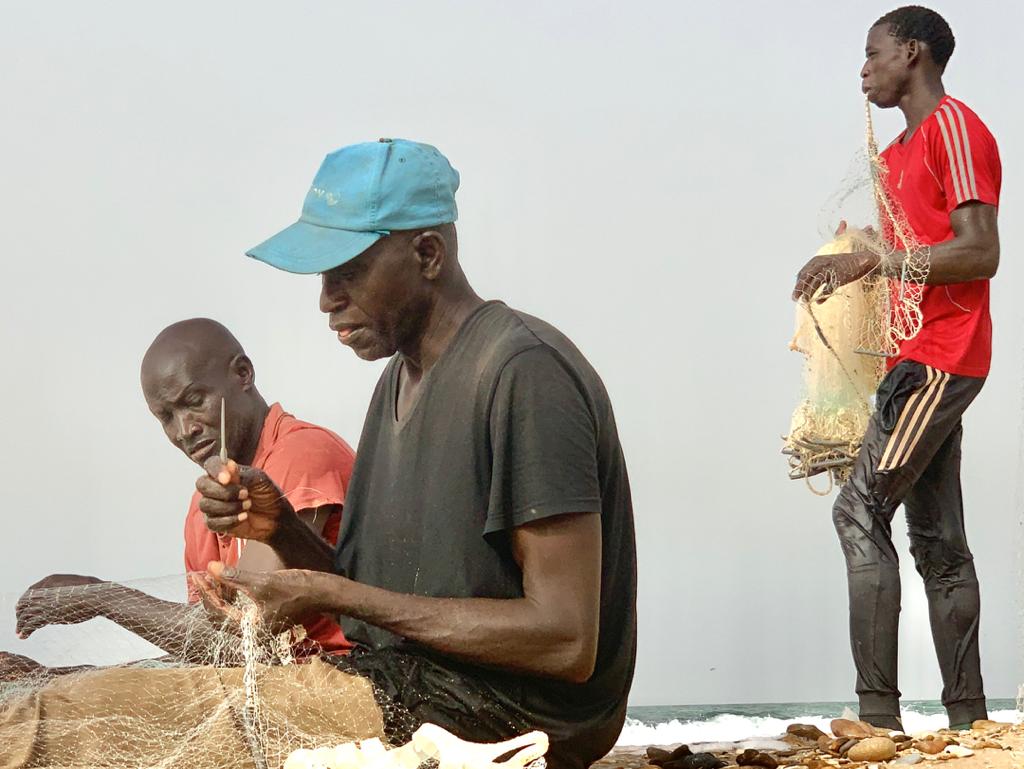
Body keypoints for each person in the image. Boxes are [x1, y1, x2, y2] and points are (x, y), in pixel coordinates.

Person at [193, 138, 637, 769]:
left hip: (512, 718)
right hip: (409, 686)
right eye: (324, 278)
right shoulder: (396, 382)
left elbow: (566, 641)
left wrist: (332, 593)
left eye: (347, 273)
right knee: (95, 705)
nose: (326, 299)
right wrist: (285, 531)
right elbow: (382, 602)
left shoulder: (523, 374)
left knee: (72, 723)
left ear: (427, 253)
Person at [793, 6, 1000, 731]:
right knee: (938, 541)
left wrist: (885, 258)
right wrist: (850, 257)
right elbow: (906, 246)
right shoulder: (897, 153)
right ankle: (970, 721)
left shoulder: (956, 129)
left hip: (944, 355)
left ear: (912, 53)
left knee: (857, 507)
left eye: (873, 53)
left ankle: (876, 717)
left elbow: (981, 252)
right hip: (913, 357)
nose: (864, 67)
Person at [12, 318, 355, 662]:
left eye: (194, 401)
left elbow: (242, 635)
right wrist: (67, 676)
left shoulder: (302, 452)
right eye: (166, 417)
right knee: (37, 694)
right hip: (267, 688)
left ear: (243, 374)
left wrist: (101, 598)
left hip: (346, 679)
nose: (184, 430)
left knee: (44, 707)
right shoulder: (203, 505)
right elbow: (206, 652)